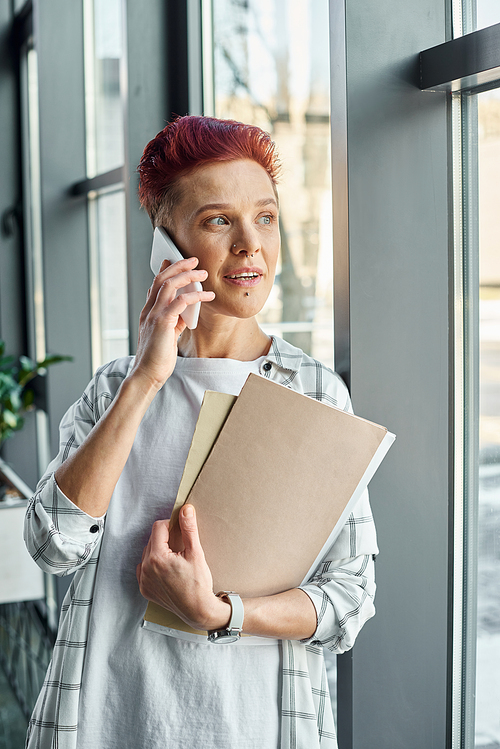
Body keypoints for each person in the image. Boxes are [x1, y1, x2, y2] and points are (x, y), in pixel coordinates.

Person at [24, 115, 378, 749]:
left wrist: (222, 615)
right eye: (219, 220)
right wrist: (146, 379)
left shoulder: (314, 390)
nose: (252, 246)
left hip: (258, 728)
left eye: (265, 218)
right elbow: (53, 546)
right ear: (166, 248)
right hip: (109, 724)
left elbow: (350, 597)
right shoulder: (114, 390)